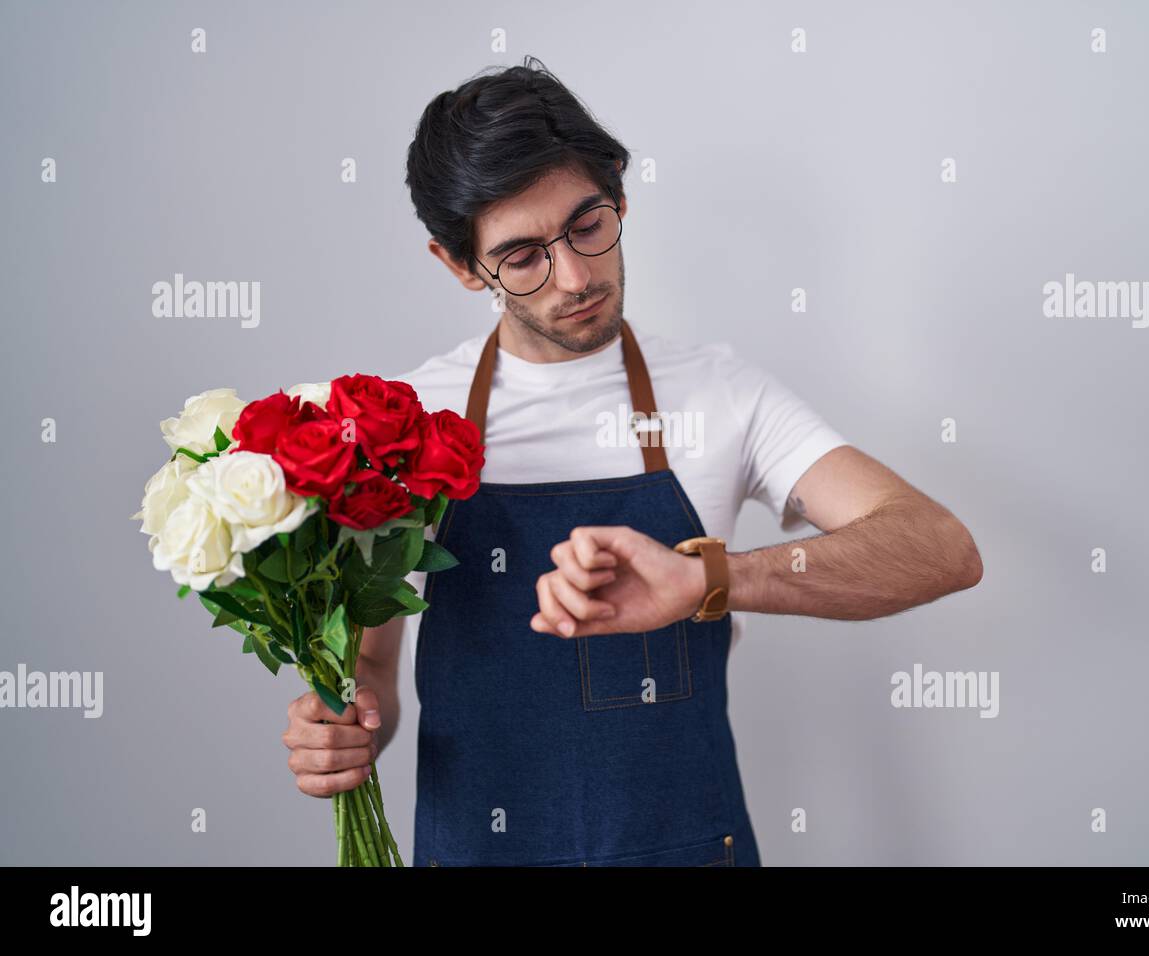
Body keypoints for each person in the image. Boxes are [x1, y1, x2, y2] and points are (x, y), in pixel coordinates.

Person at [282, 56, 982, 867]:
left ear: (618, 190)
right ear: (457, 264)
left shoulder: (724, 395)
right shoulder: (402, 422)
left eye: (587, 225)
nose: (576, 277)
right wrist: (347, 726)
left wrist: (711, 580)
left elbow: (941, 548)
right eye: (521, 256)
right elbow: (373, 668)